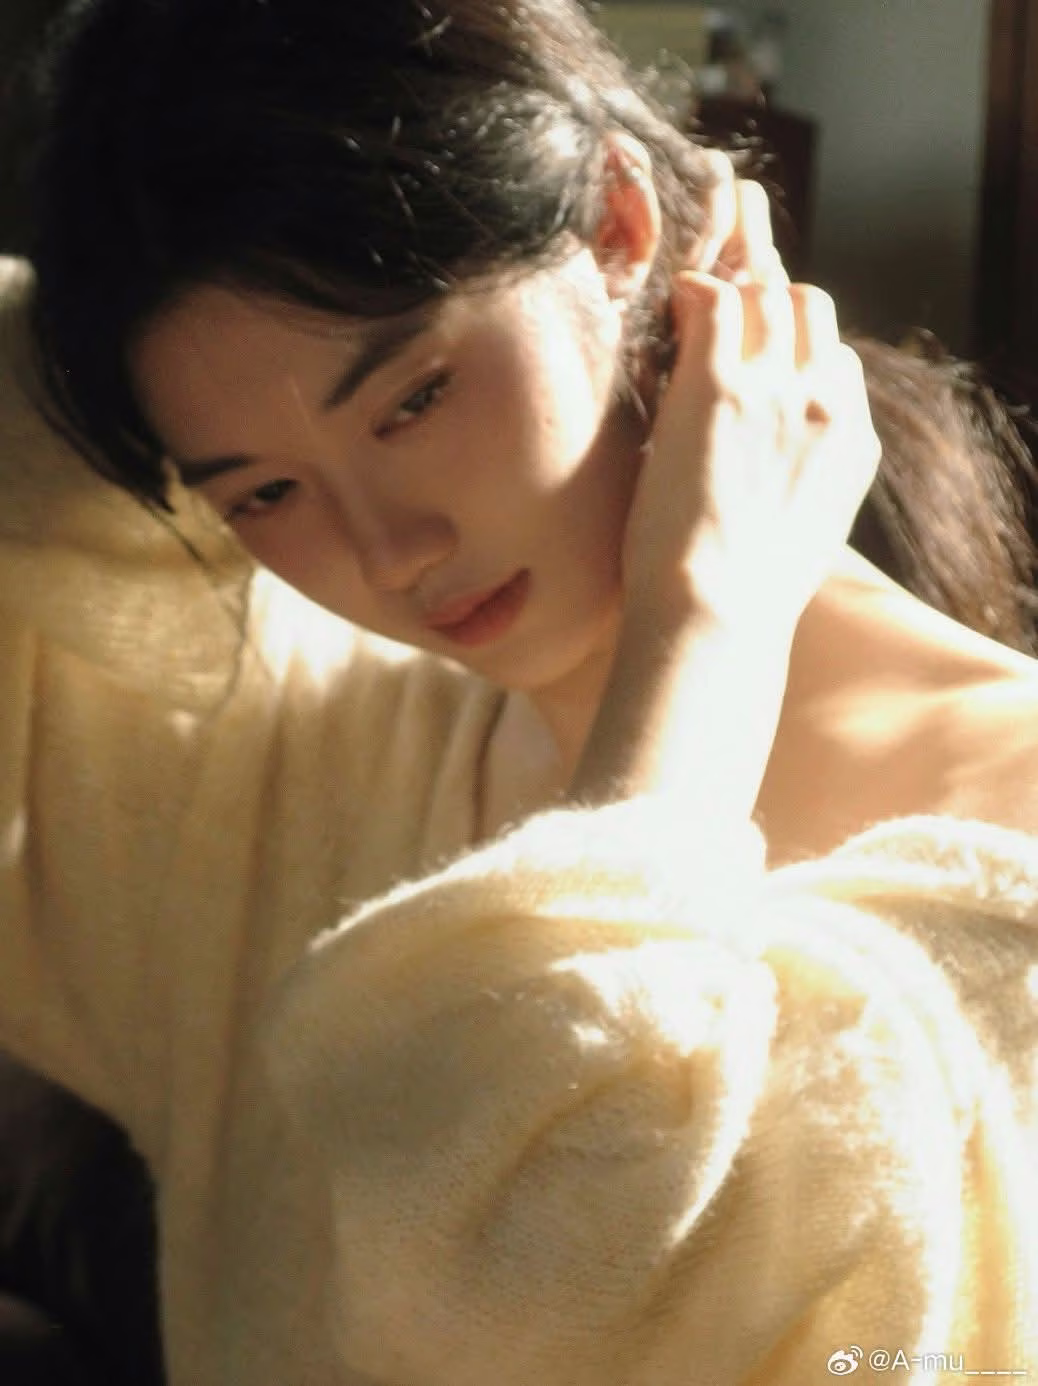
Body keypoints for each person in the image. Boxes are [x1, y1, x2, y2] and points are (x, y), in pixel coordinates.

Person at [0, 0, 1032, 1381]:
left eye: (413, 400)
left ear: (616, 223)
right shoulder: (294, 766)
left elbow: (531, 1286)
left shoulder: (1009, 857)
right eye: (265, 493)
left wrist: (709, 616)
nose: (388, 552)